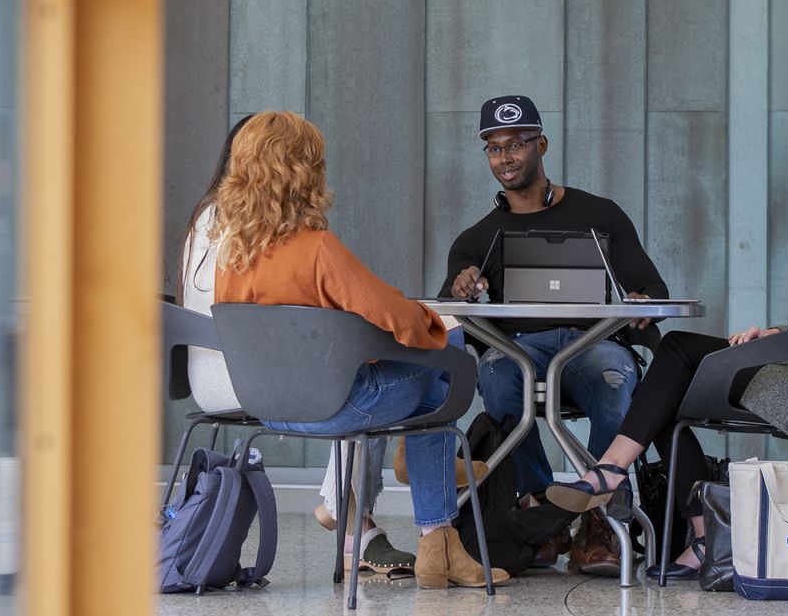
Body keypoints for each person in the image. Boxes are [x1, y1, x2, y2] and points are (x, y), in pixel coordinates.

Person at [544, 114, 788, 580]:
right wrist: (774, 333)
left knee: (677, 353)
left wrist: (779, 342)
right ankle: (702, 536)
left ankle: (613, 473)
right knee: (668, 392)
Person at [214, 111, 507, 590]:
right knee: (449, 354)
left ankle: (435, 522)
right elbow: (393, 314)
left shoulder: (232, 255)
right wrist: (434, 321)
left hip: (266, 408)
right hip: (340, 406)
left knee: (432, 383)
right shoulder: (315, 249)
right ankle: (438, 535)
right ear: (305, 170)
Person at [438, 94, 668, 577]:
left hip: (593, 346)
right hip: (517, 349)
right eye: (494, 148)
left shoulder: (599, 214)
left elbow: (650, 288)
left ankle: (600, 520)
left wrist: (642, 303)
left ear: (541, 144)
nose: (506, 156)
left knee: (613, 380)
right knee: (498, 378)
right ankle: (542, 513)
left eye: (517, 143)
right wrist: (463, 286)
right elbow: (449, 314)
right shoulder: (476, 239)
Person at [175, 114, 413, 574]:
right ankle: (350, 513)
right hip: (246, 375)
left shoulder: (207, 217)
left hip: (216, 371)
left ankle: (353, 517)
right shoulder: (247, 228)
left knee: (353, 366)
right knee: (360, 369)